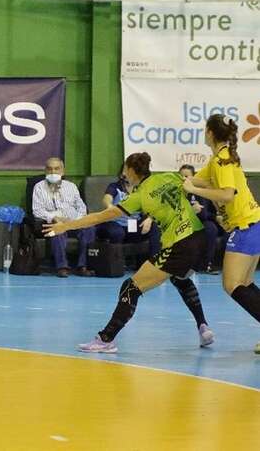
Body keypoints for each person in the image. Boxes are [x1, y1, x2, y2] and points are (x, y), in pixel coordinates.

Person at [44, 153, 214, 352]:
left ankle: (106, 339)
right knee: (180, 278)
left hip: (180, 245)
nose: (124, 174)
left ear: (132, 171)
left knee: (130, 288)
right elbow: (208, 182)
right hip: (201, 239)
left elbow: (100, 217)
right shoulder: (169, 176)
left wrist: (66, 226)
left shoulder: (139, 196)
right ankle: (203, 327)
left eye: (126, 170)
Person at [184, 114, 260, 354]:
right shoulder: (218, 158)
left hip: (247, 226)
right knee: (245, 284)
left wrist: (193, 189)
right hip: (253, 224)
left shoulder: (222, 160)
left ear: (209, 132)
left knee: (232, 284)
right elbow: (195, 180)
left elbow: (227, 194)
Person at [32, 158, 95, 278]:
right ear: (45, 171)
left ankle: (83, 266)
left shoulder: (71, 186)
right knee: (57, 230)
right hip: (55, 222)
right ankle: (62, 267)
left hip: (74, 222)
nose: (53, 172)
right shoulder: (39, 187)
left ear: (63, 171)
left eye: (56, 169)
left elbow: (81, 207)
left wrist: (77, 220)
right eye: (50, 169)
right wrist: (55, 218)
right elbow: (37, 210)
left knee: (89, 228)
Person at [97, 164, 161, 263]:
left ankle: (154, 263)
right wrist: (110, 206)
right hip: (115, 223)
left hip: (133, 227)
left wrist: (149, 219)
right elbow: (107, 199)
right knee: (117, 232)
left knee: (155, 226)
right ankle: (117, 265)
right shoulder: (115, 186)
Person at [179, 164, 223, 274]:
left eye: (187, 176)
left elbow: (206, 214)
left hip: (202, 220)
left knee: (211, 228)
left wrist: (214, 216)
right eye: (181, 176)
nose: (184, 179)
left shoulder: (200, 191)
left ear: (193, 177)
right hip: (182, 221)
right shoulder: (176, 192)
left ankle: (208, 264)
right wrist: (191, 211)